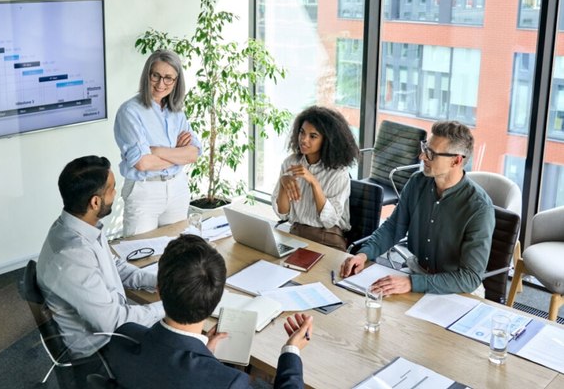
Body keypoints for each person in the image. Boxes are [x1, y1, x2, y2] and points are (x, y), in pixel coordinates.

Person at [106, 234, 313, 389]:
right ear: (217, 299)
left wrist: (205, 354)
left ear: (158, 290)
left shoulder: (123, 338)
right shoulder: (228, 382)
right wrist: (291, 350)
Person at [36, 156, 164, 384]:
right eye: (112, 189)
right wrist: (170, 306)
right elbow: (114, 323)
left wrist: (159, 281)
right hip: (100, 354)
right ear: (95, 202)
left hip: (109, 330)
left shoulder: (81, 226)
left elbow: (115, 266)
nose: (116, 193)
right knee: (183, 350)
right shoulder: (71, 256)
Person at [340, 120, 495, 296]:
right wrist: (364, 255)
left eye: (431, 154)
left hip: (457, 288)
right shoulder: (417, 182)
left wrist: (412, 283)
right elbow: (393, 228)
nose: (422, 157)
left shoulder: (479, 208)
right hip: (416, 272)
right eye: (424, 148)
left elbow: (469, 278)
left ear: (456, 161)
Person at [114, 49, 202, 236]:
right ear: (147, 75)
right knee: (140, 255)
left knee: (177, 254)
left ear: (176, 81)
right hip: (144, 190)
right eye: (156, 76)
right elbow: (143, 162)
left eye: (168, 78)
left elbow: (193, 153)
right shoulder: (130, 111)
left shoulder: (177, 111)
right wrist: (178, 154)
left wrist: (156, 150)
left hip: (177, 188)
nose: (161, 83)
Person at [272, 106, 359, 251]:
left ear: (327, 140)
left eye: (313, 136)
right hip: (296, 234)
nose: (304, 140)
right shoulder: (290, 163)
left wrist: (314, 182)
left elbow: (330, 221)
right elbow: (283, 213)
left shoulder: (338, 173)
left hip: (327, 239)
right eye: (302, 132)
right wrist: (283, 184)